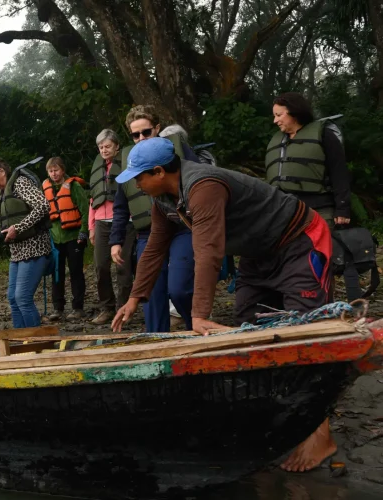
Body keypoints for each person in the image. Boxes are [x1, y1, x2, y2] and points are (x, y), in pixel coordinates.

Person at [111, 137, 336, 473]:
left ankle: (321, 434)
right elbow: (155, 248)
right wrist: (134, 297)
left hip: (297, 242)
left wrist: (199, 315)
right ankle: (277, 418)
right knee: (247, 330)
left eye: (139, 177)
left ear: (159, 171)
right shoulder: (163, 200)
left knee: (308, 333)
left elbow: (209, 251)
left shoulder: (203, 186)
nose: (136, 184)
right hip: (257, 256)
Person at [108, 105, 194, 332]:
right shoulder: (127, 161)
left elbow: (199, 183)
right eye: (135, 135)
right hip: (147, 232)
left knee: (180, 289)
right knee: (151, 291)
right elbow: (120, 206)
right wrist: (116, 241)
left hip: (181, 227)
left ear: (157, 128)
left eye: (146, 132)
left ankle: (197, 326)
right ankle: (157, 339)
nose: (141, 138)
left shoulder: (177, 151)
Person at [268, 92, 358, 299]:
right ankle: (296, 304)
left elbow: (339, 172)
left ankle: (325, 304)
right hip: (286, 212)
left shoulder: (323, 134)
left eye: (279, 115)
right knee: (288, 260)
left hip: (319, 209)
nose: (275, 120)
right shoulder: (278, 141)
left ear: (294, 112)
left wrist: (342, 207)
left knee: (320, 260)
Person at [0, 156, 52, 328]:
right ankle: (19, 340)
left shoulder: (20, 183)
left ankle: (36, 341)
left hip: (35, 247)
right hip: (17, 251)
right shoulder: (3, 190)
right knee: (13, 297)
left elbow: (43, 205)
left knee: (23, 298)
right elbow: (19, 207)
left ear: (1, 171)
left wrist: (18, 227)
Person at [88, 129, 134, 325]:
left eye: (107, 146)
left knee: (123, 268)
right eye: (101, 147)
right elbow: (93, 199)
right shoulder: (97, 168)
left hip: (124, 222)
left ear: (116, 147)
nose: (104, 150)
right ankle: (106, 308)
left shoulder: (126, 164)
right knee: (100, 266)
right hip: (101, 223)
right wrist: (91, 227)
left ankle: (123, 310)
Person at [42, 157, 88, 321]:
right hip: (56, 239)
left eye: (56, 170)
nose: (54, 174)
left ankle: (78, 307)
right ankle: (58, 308)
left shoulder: (73, 186)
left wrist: (84, 231)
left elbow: (85, 210)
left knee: (76, 272)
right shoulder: (45, 188)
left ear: (62, 170)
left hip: (74, 237)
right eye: (51, 171)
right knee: (57, 274)